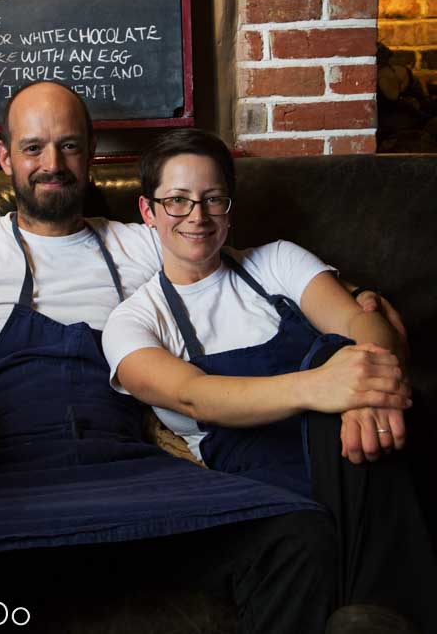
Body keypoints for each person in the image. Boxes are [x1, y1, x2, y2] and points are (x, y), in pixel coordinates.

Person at [0, 83, 415, 634]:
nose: (52, 163)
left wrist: (359, 308)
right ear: (5, 158)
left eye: (69, 145)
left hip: (130, 469)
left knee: (297, 537)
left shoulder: (141, 238)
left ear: (91, 156)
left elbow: (232, 261)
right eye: (33, 147)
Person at [102, 127, 437, 633]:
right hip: (269, 487)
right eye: (177, 201)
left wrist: (365, 385)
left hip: (363, 449)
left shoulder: (276, 260)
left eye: (213, 198)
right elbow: (196, 396)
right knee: (333, 360)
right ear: (148, 212)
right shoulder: (133, 322)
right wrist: (320, 386)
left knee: (340, 349)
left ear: (229, 206)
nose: (197, 215)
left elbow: (362, 324)